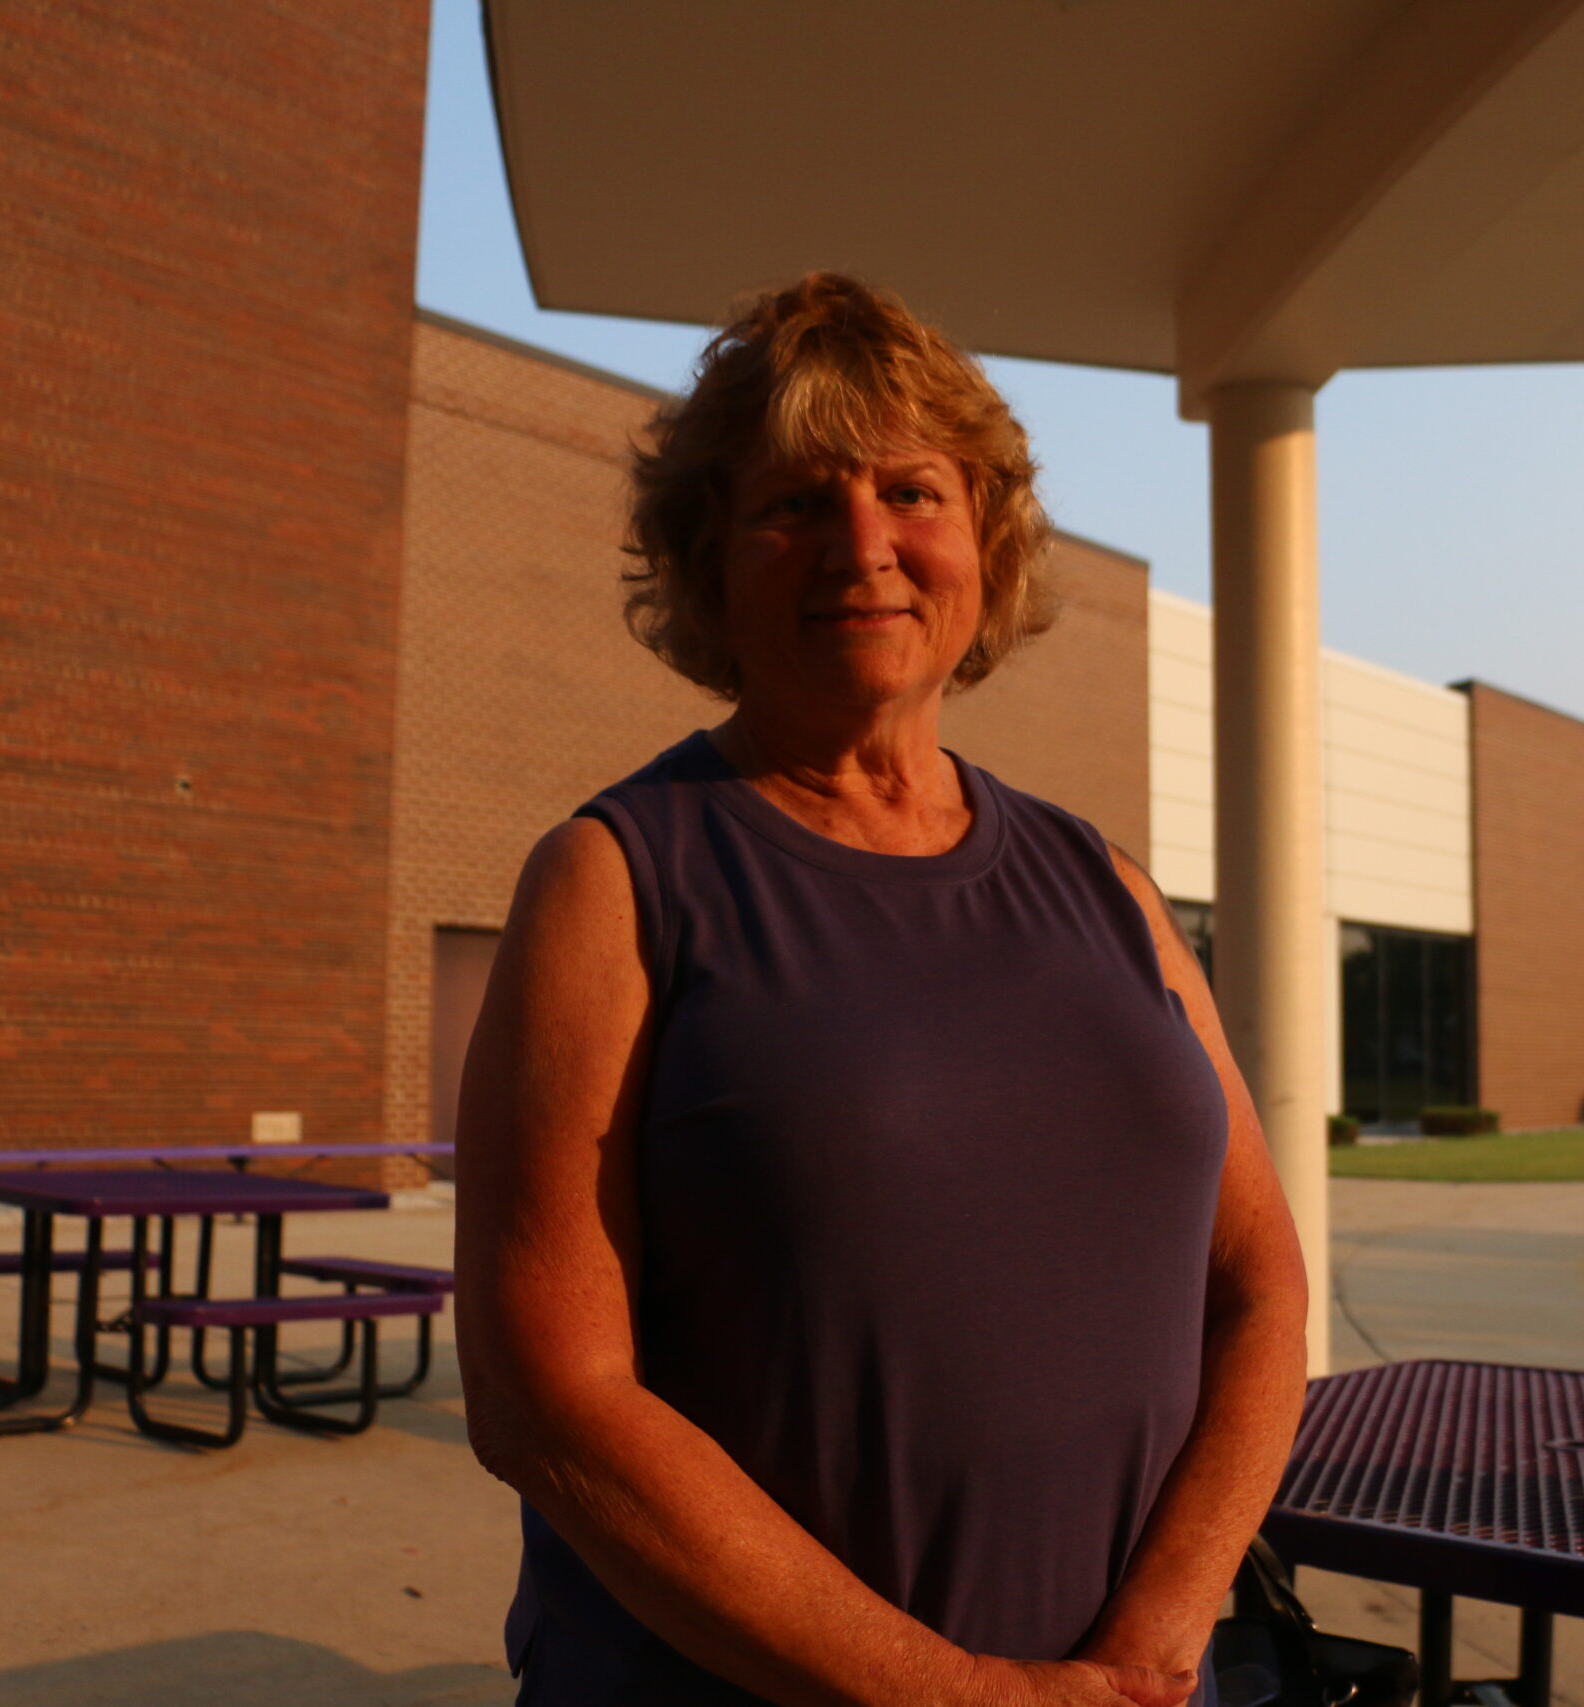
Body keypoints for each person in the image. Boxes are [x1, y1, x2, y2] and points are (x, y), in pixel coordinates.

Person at [453, 273, 1311, 1707]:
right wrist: (950, 1690)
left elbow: (1261, 1277)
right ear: (709, 556)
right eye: (794, 502)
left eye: (912, 489)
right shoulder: (618, 877)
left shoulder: (1106, 882)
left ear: (985, 535)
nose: (865, 544)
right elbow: (551, 1395)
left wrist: (1158, 1642)